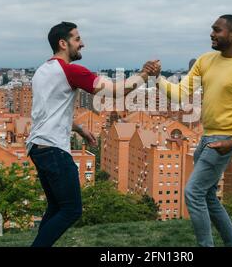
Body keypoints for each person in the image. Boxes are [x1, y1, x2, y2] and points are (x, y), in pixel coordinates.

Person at [26, 21, 160, 247]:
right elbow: (117, 91)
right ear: (63, 43)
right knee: (71, 210)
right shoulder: (71, 70)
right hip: (54, 150)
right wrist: (144, 74)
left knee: (57, 207)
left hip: (37, 147)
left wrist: (79, 128)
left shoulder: (42, 71)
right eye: (77, 39)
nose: (82, 44)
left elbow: (48, 112)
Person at [157, 14, 232, 247]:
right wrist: (156, 77)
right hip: (207, 137)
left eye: (217, 30)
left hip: (224, 140)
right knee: (207, 196)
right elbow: (179, 94)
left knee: (193, 192)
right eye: (212, 29)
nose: (212, 33)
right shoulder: (205, 61)